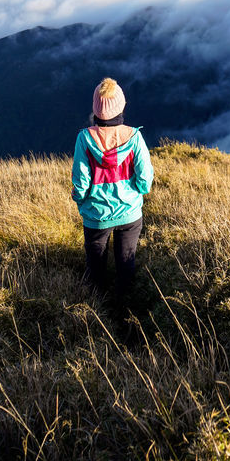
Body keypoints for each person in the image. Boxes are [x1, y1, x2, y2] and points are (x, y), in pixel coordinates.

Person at [71, 77, 154, 305]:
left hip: (96, 216)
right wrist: (136, 192)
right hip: (129, 213)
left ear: (95, 109)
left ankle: (97, 313)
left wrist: (81, 201)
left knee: (95, 270)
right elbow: (145, 178)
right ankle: (126, 311)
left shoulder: (84, 139)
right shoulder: (135, 137)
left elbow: (80, 181)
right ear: (121, 106)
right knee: (126, 266)